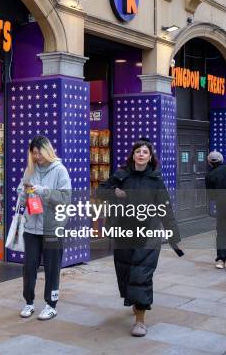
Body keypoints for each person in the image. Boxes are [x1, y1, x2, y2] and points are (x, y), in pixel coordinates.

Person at [97, 139, 181, 337]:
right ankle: (136, 304)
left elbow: (165, 208)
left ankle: (140, 322)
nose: (141, 154)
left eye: (145, 152)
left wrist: (173, 234)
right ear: (133, 155)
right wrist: (114, 193)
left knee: (141, 277)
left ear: (150, 157)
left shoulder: (156, 180)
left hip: (148, 235)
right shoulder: (121, 174)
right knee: (126, 275)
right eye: (138, 151)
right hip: (124, 234)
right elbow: (101, 191)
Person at [17, 135, 71, 321]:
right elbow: (21, 197)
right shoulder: (29, 170)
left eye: (39, 153)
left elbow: (65, 198)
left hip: (52, 228)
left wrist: (43, 191)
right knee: (29, 267)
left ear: (47, 151)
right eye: (33, 154)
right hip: (31, 227)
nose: (37, 157)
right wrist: (24, 193)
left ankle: (51, 304)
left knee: (52, 267)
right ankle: (29, 302)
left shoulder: (60, 170)